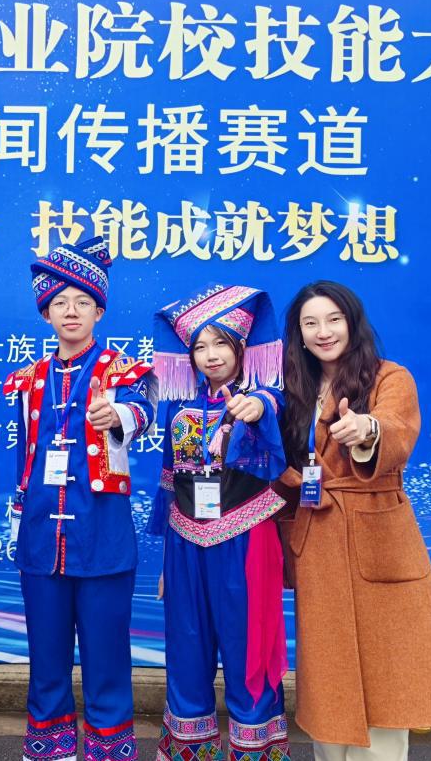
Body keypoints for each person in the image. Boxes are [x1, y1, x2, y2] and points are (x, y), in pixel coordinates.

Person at [277, 281, 431, 761]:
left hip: (379, 537)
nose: (323, 332)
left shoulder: (389, 377)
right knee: (328, 680)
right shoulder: (292, 389)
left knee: (386, 678)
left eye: (333, 319)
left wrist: (366, 430)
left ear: (353, 323)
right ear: (298, 335)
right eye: (310, 323)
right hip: (318, 541)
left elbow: (396, 428)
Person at [4, 237, 158, 761]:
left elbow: (143, 410)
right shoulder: (30, 380)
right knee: (45, 657)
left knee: (107, 656)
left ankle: (108, 749)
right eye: (60, 302)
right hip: (41, 538)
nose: (71, 311)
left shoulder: (122, 372)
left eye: (83, 302)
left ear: (99, 311)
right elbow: (24, 458)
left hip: (103, 538)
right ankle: (49, 748)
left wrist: (120, 416)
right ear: (46, 313)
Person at [147, 284, 292, 761]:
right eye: (200, 347)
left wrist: (258, 408)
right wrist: (167, 562)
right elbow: (169, 479)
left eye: (221, 344)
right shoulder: (178, 406)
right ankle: (189, 750)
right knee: (185, 649)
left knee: (249, 650)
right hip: (185, 540)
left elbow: (273, 413)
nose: (210, 356)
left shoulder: (264, 397)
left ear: (242, 347)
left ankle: (255, 750)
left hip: (246, 540)